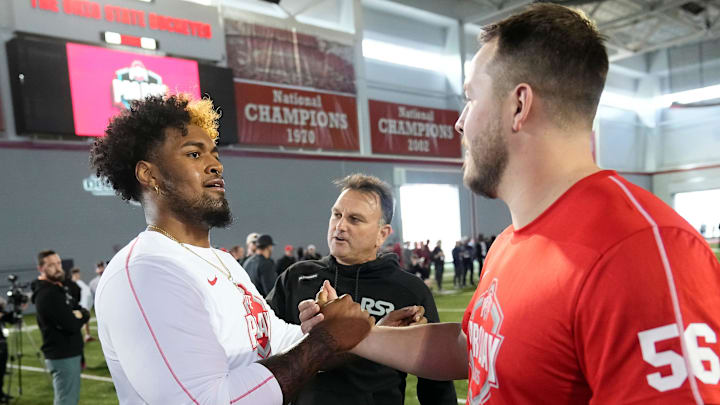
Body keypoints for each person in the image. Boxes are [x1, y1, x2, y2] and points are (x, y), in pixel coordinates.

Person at [299, 4, 720, 404]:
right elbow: (473, 350)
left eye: (471, 98)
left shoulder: (640, 250)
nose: (459, 121)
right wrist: (358, 335)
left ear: (519, 105)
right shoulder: (510, 243)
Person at [90, 94, 376, 404]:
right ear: (149, 174)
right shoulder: (146, 271)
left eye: (213, 154)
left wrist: (360, 331)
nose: (215, 164)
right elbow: (208, 400)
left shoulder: (222, 261)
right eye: (194, 154)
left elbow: (274, 342)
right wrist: (323, 342)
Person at [267, 173, 456, 405]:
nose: (340, 225)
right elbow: (261, 345)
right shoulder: (297, 277)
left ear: (382, 234)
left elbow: (436, 382)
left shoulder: (408, 291)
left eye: (355, 219)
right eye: (336, 214)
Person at [31, 250, 90, 405]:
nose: (57, 268)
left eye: (58, 263)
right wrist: (82, 315)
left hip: (69, 353)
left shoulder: (58, 287)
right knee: (66, 400)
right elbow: (71, 324)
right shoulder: (47, 294)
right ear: (41, 268)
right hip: (63, 355)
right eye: (51, 265)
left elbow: (76, 302)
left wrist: (78, 313)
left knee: (69, 398)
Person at [70, 268, 94, 342]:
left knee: (85, 320)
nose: (78, 275)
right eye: (77, 274)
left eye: (78, 273)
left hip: (84, 305)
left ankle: (87, 336)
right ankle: (75, 338)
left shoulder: (80, 282)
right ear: (73, 275)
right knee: (78, 322)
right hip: (77, 306)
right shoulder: (72, 283)